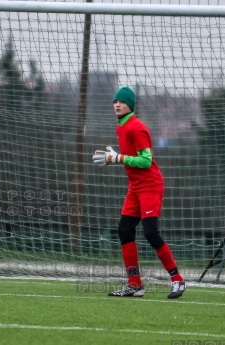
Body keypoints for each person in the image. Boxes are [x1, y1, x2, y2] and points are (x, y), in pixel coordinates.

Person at [92, 86, 185, 299]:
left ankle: (178, 280)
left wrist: (118, 158)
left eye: (122, 101)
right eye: (115, 101)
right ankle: (134, 284)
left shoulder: (137, 127)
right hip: (135, 187)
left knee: (151, 233)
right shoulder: (121, 127)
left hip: (150, 185)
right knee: (124, 230)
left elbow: (145, 161)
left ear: (130, 105)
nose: (117, 104)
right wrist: (114, 157)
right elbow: (130, 157)